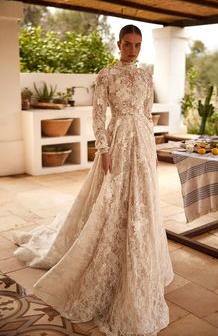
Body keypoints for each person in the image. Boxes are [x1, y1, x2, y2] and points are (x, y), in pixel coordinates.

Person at [13, 24, 174, 336]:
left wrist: (151, 146)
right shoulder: (106, 75)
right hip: (119, 140)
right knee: (111, 198)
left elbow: (146, 113)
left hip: (141, 141)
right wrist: (103, 147)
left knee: (142, 201)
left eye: (138, 45)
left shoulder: (145, 75)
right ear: (118, 44)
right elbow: (98, 114)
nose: (133, 50)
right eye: (127, 44)